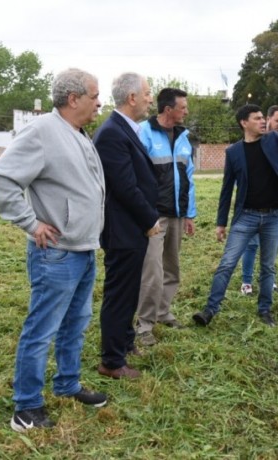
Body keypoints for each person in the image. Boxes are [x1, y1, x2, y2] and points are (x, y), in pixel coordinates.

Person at [0, 68, 106, 432]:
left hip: (83, 248)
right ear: (74, 99)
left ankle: (68, 384)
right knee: (42, 328)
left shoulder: (78, 132)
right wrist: (30, 223)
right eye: (94, 95)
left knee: (76, 323)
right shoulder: (42, 132)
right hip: (56, 252)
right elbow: (3, 178)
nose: (99, 102)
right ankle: (26, 407)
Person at [192, 104, 278, 328]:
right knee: (227, 263)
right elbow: (226, 189)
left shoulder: (272, 141)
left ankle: (265, 310)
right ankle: (210, 310)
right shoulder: (233, 152)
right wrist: (221, 223)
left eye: (262, 117)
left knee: (268, 267)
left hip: (273, 217)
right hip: (245, 217)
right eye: (257, 118)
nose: (262, 121)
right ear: (244, 123)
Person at [94, 73, 161, 380]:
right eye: (147, 93)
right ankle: (111, 361)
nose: (151, 98)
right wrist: (149, 220)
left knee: (130, 290)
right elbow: (124, 186)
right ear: (132, 97)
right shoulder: (111, 133)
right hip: (123, 230)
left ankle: (124, 342)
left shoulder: (124, 129)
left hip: (131, 228)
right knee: (120, 294)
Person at [135, 88, 195, 346]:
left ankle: (163, 312)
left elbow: (189, 177)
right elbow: (135, 176)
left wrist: (190, 214)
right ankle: (144, 325)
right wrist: (144, 214)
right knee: (152, 272)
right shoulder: (143, 133)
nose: (187, 111)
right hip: (154, 217)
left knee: (172, 268)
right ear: (168, 109)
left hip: (178, 215)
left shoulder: (184, 137)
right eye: (183, 107)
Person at [239, 105, 278, 296]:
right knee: (252, 243)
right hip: (254, 204)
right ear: (268, 119)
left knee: (270, 245)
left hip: (275, 206)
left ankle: (268, 282)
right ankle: (246, 282)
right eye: (277, 120)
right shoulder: (256, 141)